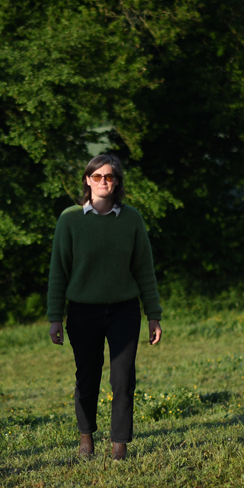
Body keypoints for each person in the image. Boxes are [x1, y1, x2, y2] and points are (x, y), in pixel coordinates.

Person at [47, 153, 163, 461]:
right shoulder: (70, 219)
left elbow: (144, 270)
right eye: (97, 176)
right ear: (87, 180)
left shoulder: (132, 219)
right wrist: (54, 317)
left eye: (109, 177)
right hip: (83, 311)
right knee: (87, 378)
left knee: (123, 379)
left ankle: (119, 446)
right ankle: (86, 437)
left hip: (124, 311)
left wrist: (154, 315)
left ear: (117, 182)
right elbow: (58, 271)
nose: (103, 182)